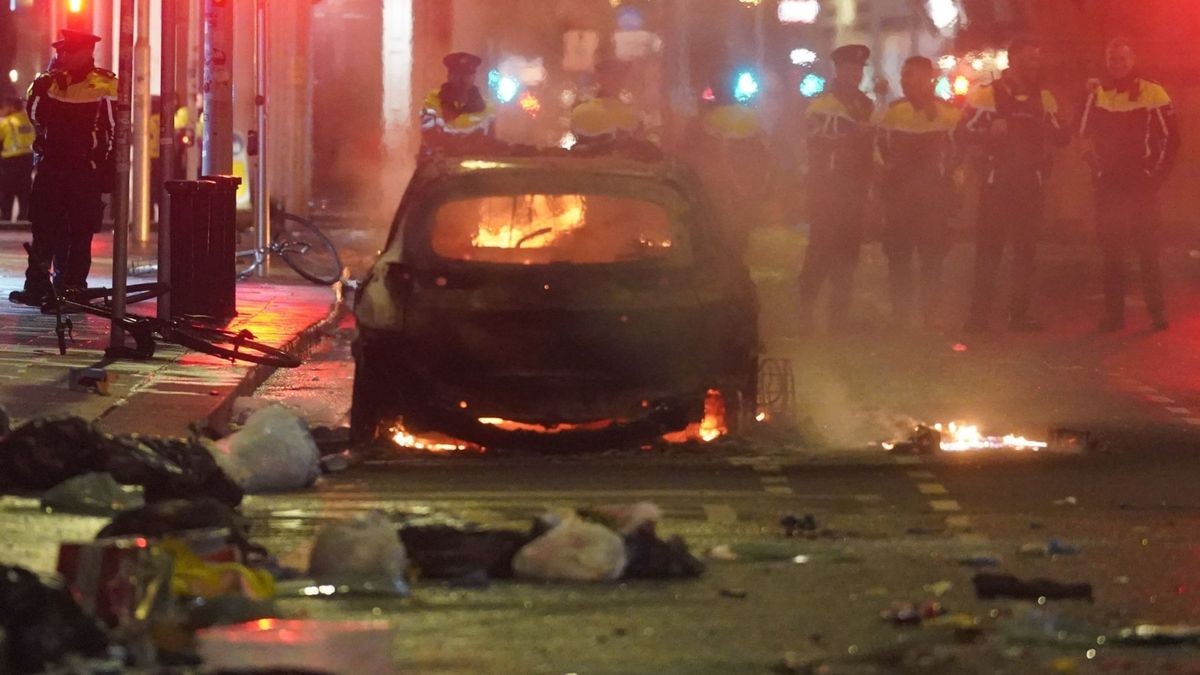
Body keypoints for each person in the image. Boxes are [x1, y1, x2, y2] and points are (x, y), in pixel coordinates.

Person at [959, 37, 1068, 333]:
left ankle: (1018, 316)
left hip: (1030, 185)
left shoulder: (1043, 97)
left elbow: (1063, 136)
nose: (1035, 64)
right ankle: (978, 317)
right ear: (1014, 61)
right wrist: (988, 131)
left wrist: (1045, 125)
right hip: (997, 185)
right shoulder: (987, 94)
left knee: (1025, 254)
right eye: (1030, 58)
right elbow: (962, 131)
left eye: (1037, 58)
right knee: (988, 252)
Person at [10, 30, 116, 306]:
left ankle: (72, 287)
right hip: (52, 166)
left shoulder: (105, 84)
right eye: (61, 52)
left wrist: (106, 170)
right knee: (43, 226)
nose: (62, 56)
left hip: (84, 168)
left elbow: (116, 130)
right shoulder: (50, 83)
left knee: (80, 232)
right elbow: (34, 115)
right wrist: (45, 81)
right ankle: (37, 285)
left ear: (86, 52)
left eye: (69, 51)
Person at [1080, 39, 1180, 332]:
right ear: (1107, 62)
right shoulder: (1097, 93)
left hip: (1141, 184)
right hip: (1109, 184)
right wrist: (1096, 170)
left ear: (1132, 59)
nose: (1117, 64)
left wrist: (1154, 177)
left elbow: (1171, 139)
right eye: (1112, 59)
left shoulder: (1153, 91)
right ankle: (1114, 317)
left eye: (1122, 59)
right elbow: (1082, 133)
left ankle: (1157, 312)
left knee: (1147, 250)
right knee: (1111, 252)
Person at [876, 57, 963, 328]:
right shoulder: (893, 113)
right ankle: (900, 315)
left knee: (932, 261)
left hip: (933, 202)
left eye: (911, 76)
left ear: (929, 79)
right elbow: (881, 153)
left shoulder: (950, 115)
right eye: (903, 75)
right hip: (900, 200)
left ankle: (930, 315)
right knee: (899, 260)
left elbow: (958, 159)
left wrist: (952, 196)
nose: (905, 81)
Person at [796, 44, 875, 331]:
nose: (855, 74)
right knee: (821, 249)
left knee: (848, 252)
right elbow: (817, 143)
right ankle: (805, 308)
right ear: (838, 71)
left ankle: (839, 316)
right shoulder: (821, 105)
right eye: (850, 69)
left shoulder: (865, 104)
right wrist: (853, 134)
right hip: (827, 189)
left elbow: (868, 151)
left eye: (859, 69)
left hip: (854, 188)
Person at [682, 67, 776, 256]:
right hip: (738, 188)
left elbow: (688, 155)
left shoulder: (702, 121)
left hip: (715, 189)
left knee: (716, 235)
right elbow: (764, 155)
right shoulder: (750, 118)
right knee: (737, 236)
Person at [419, 52, 497, 158]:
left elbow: (490, 143)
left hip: (476, 165)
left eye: (466, 74)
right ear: (449, 76)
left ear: (474, 77)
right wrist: (450, 104)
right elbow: (430, 136)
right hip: (440, 165)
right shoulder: (432, 100)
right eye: (456, 74)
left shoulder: (487, 107)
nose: (461, 79)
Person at [570, 59, 642, 151]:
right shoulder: (632, 115)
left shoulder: (579, 111)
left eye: (618, 76)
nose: (615, 80)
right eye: (612, 76)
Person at [0, 96, 35, 222]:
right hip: (27, 159)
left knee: (7, 190)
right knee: (24, 189)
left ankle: (6, 216)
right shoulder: (28, 122)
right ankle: (23, 215)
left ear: (12, 107)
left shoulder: (6, 122)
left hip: (10, 161)